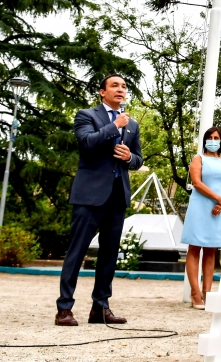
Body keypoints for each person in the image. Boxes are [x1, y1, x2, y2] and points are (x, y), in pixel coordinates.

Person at [56, 74, 143, 326]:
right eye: (115, 85)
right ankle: (64, 308)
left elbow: (138, 160)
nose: (120, 89)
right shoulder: (86, 115)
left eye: (124, 86)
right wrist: (114, 126)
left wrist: (128, 157)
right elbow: (87, 143)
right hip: (89, 195)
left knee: (109, 254)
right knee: (77, 251)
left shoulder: (132, 125)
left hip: (117, 196)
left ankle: (100, 308)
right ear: (101, 92)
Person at [181, 126, 221, 310]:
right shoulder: (199, 159)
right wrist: (218, 198)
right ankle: (195, 293)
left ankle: (208, 292)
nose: (213, 140)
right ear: (205, 140)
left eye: (217, 137)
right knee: (195, 247)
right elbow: (196, 182)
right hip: (201, 207)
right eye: (210, 137)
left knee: (211, 250)